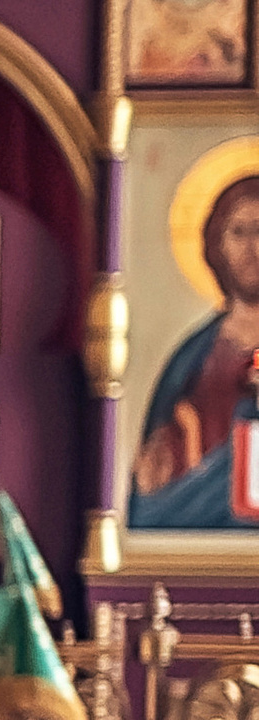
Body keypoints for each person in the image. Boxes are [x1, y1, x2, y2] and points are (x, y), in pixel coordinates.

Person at [132, 168, 259, 527]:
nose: (253, 248)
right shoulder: (194, 354)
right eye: (240, 232)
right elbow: (156, 463)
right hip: (200, 512)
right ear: (216, 245)